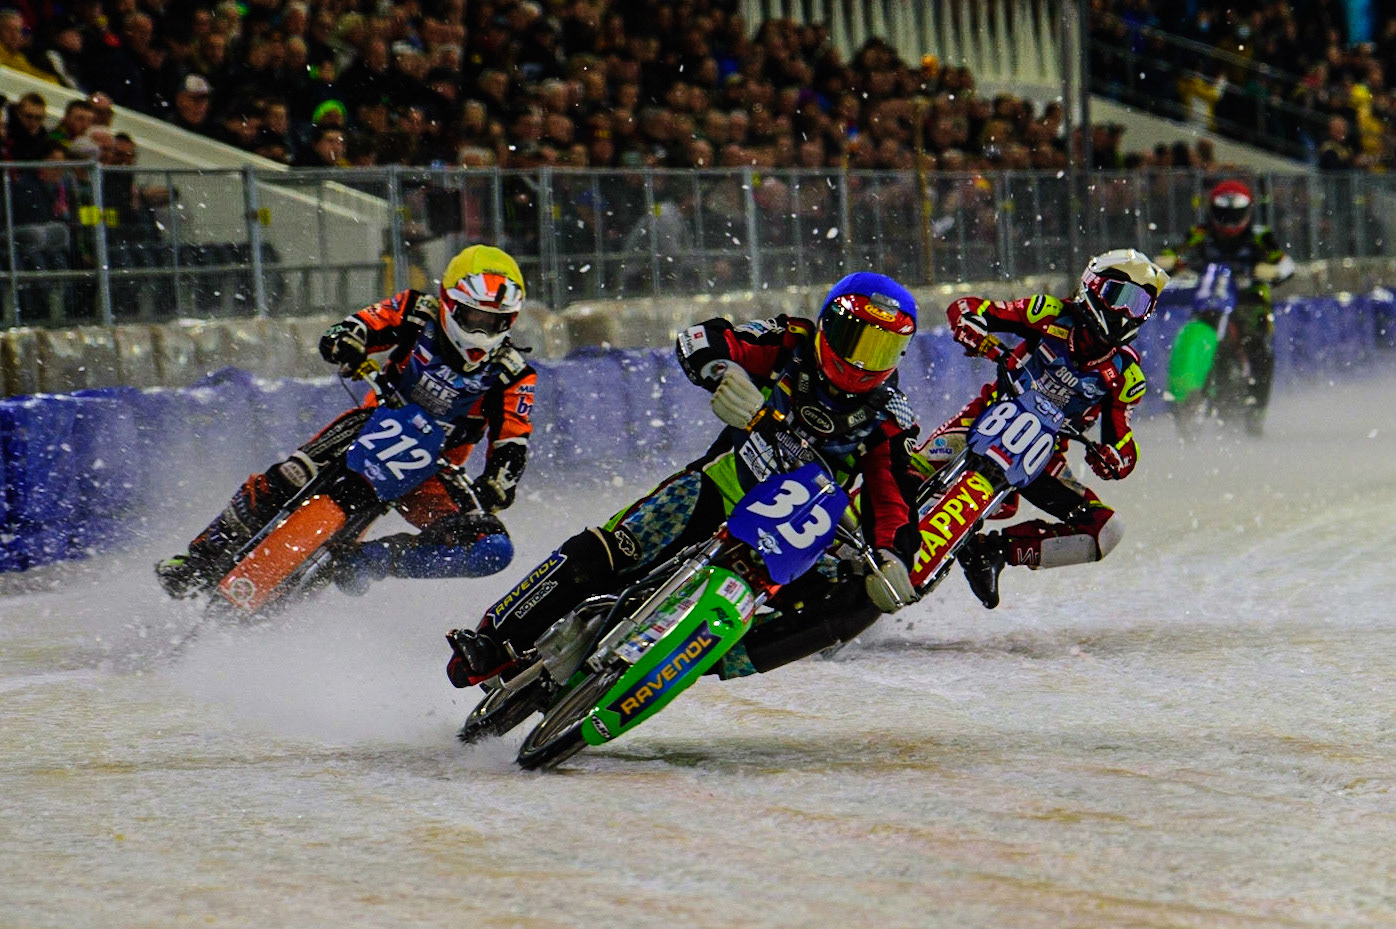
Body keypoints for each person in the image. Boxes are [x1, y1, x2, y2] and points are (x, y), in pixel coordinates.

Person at [445, 271, 924, 689]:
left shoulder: (891, 417)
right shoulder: (790, 340)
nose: (863, 362)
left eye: (882, 347)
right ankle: (493, 639)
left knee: (862, 601)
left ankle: (715, 658)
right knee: (618, 547)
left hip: (797, 538)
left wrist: (894, 558)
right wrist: (725, 373)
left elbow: (894, 502)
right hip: (720, 486)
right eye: (857, 340)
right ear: (828, 325)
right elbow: (701, 338)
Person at [155, 245, 537, 598]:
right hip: (372, 425)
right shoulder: (416, 310)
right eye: (475, 316)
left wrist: (497, 484)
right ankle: (200, 558)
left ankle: (371, 559)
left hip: (433, 469)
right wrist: (348, 341)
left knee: (492, 549)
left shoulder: (514, 373)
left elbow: (513, 442)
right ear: (450, 303)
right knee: (289, 476)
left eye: (495, 320)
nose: (482, 329)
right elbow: (355, 326)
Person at [920, 248, 1170, 610]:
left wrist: (1114, 458)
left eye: (1139, 305)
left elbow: (1124, 446)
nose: (1124, 312)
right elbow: (967, 307)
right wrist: (970, 325)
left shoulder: (1126, 376)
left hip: (1040, 457)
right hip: (986, 418)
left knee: (1106, 530)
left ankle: (993, 552)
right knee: (915, 467)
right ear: (1093, 286)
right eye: (1120, 296)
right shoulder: (1048, 312)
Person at [1157, 179, 1295, 435]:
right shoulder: (1200, 233)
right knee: (1194, 329)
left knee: (1260, 348)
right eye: (1224, 213)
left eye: (1235, 213)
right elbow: (1173, 253)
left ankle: (1257, 408)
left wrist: (1272, 271)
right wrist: (1170, 262)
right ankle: (1187, 388)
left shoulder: (1260, 235)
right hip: (1211, 297)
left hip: (1249, 300)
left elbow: (1286, 264)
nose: (1229, 220)